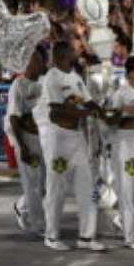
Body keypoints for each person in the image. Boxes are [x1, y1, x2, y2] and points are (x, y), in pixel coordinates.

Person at [35, 42, 102, 252]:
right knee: (57, 187)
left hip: (76, 137)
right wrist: (86, 114)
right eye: (72, 51)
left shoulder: (75, 76)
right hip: (57, 139)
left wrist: (104, 111)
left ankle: (86, 236)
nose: (76, 53)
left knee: (87, 185)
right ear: (62, 55)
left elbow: (89, 102)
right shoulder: (51, 78)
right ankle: (52, 235)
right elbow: (57, 112)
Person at [102, 55, 134, 250]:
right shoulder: (120, 95)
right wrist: (123, 112)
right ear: (131, 73)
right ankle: (131, 237)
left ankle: (123, 219)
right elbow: (109, 121)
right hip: (124, 143)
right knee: (128, 189)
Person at [4, 48, 46, 237]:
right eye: (35, 60)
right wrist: (23, 147)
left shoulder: (44, 83)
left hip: (43, 137)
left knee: (43, 183)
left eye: (40, 60)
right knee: (32, 183)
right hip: (25, 138)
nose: (40, 64)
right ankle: (37, 225)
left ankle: (21, 206)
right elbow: (14, 118)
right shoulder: (18, 85)